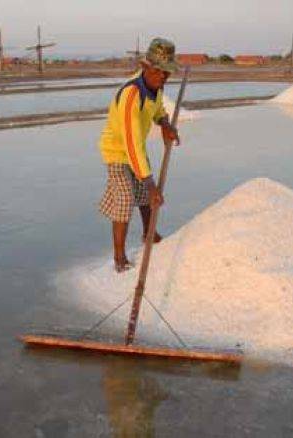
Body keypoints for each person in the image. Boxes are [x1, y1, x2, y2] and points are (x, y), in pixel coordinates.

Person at [98, 37, 181, 273]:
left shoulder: (156, 87)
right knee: (125, 198)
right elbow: (131, 143)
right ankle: (119, 257)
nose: (163, 78)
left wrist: (164, 122)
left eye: (167, 73)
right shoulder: (131, 95)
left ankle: (149, 233)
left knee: (145, 195)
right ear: (146, 67)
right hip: (117, 151)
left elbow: (158, 110)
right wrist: (151, 182)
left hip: (135, 151)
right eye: (159, 72)